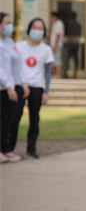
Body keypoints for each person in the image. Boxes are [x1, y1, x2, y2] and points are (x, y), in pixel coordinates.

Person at [17, 18, 55, 158]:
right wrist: (23, 83)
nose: (37, 31)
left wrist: (46, 91)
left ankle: (31, 149)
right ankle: (8, 147)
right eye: (35, 28)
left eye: (40, 29)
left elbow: (48, 72)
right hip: (21, 85)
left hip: (37, 86)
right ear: (29, 29)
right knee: (15, 117)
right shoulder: (19, 46)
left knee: (34, 119)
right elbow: (16, 67)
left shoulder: (46, 49)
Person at [0, 12, 29, 162]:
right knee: (2, 119)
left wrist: (23, 83)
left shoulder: (11, 42)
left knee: (11, 120)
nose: (10, 26)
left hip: (16, 85)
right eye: (7, 23)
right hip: (4, 88)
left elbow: (18, 64)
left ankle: (7, 149)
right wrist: (8, 87)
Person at [64, 11, 81, 78]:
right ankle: (75, 72)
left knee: (66, 59)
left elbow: (65, 33)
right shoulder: (78, 25)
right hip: (75, 44)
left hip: (68, 44)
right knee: (75, 58)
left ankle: (65, 72)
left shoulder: (68, 24)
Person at [48, 11, 65, 78]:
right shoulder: (56, 24)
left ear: (54, 17)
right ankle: (55, 74)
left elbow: (58, 35)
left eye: (51, 17)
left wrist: (55, 46)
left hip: (56, 45)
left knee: (57, 59)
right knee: (54, 60)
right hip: (54, 45)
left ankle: (58, 74)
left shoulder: (59, 23)